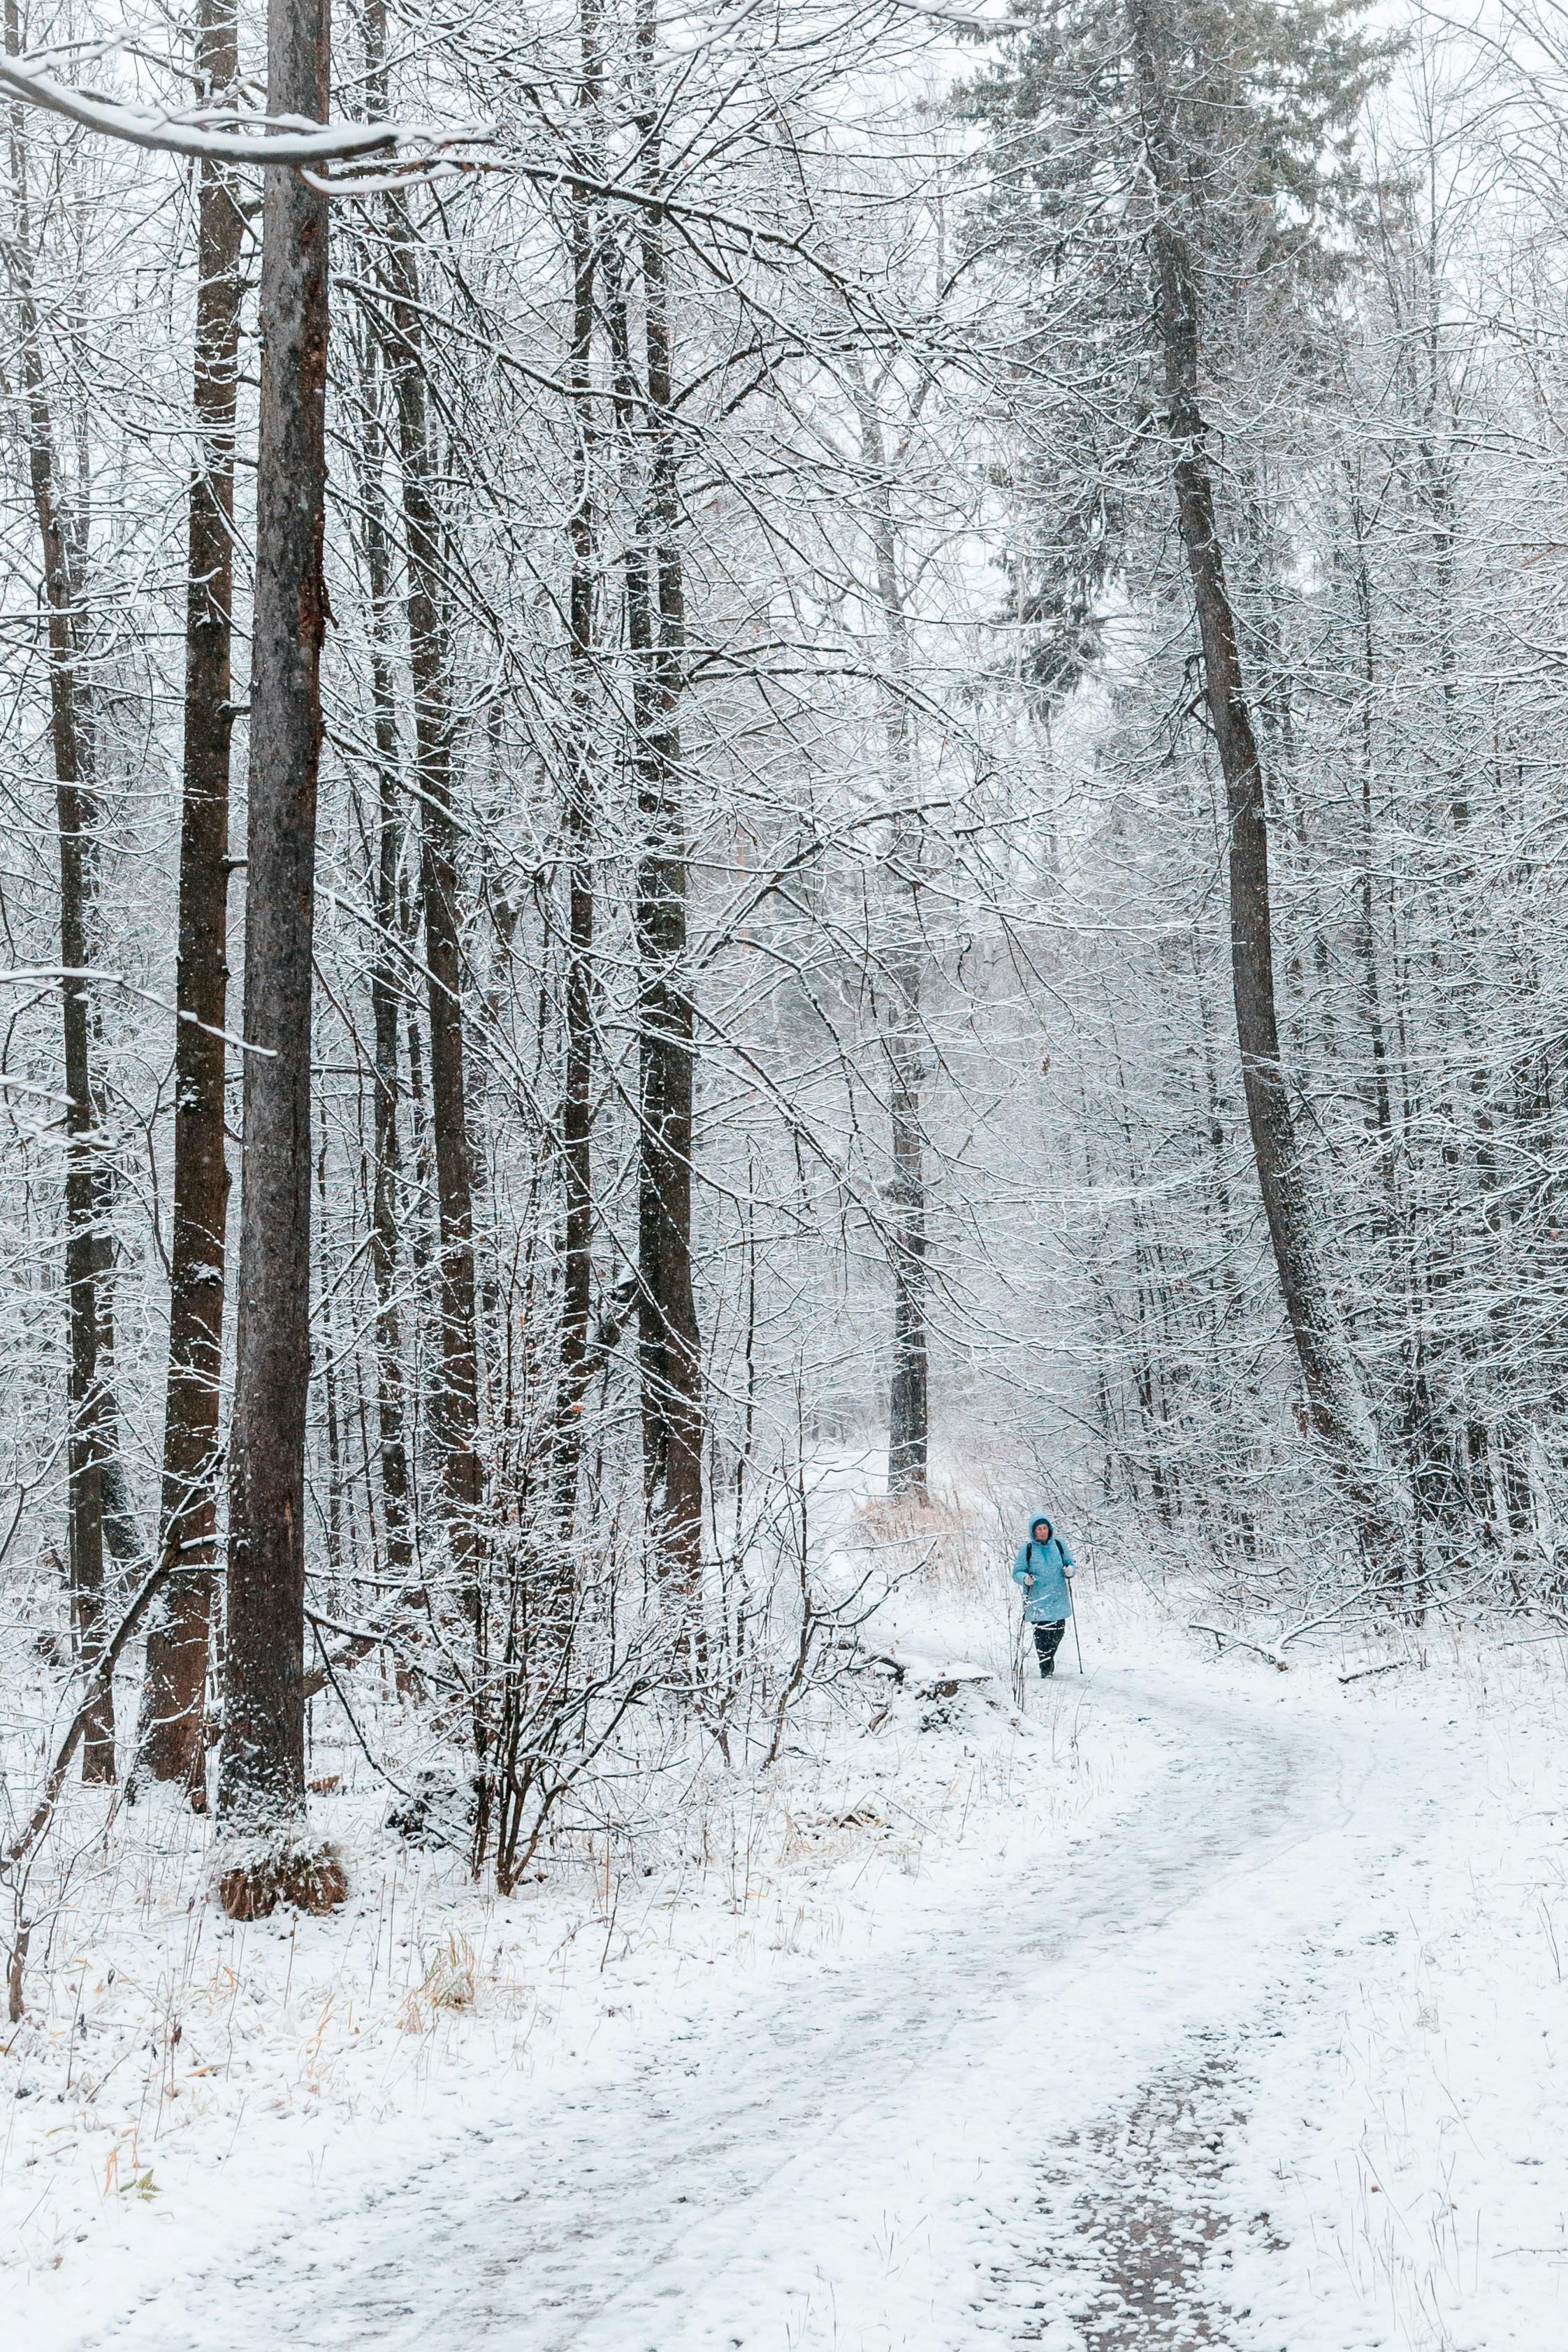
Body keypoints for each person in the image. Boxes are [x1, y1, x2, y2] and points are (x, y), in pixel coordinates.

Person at [1012, 1513, 1075, 1677]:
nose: (1042, 1531)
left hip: (1058, 1598)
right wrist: (1025, 1579)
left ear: (1050, 1529)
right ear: (1033, 1531)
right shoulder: (1028, 1549)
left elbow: (1070, 1563)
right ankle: (1046, 1668)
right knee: (1042, 1636)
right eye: (1039, 1529)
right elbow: (1017, 1572)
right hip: (1038, 1599)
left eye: (1045, 1528)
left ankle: (1049, 1659)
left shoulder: (1059, 1545)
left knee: (1058, 1631)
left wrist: (1070, 1571)